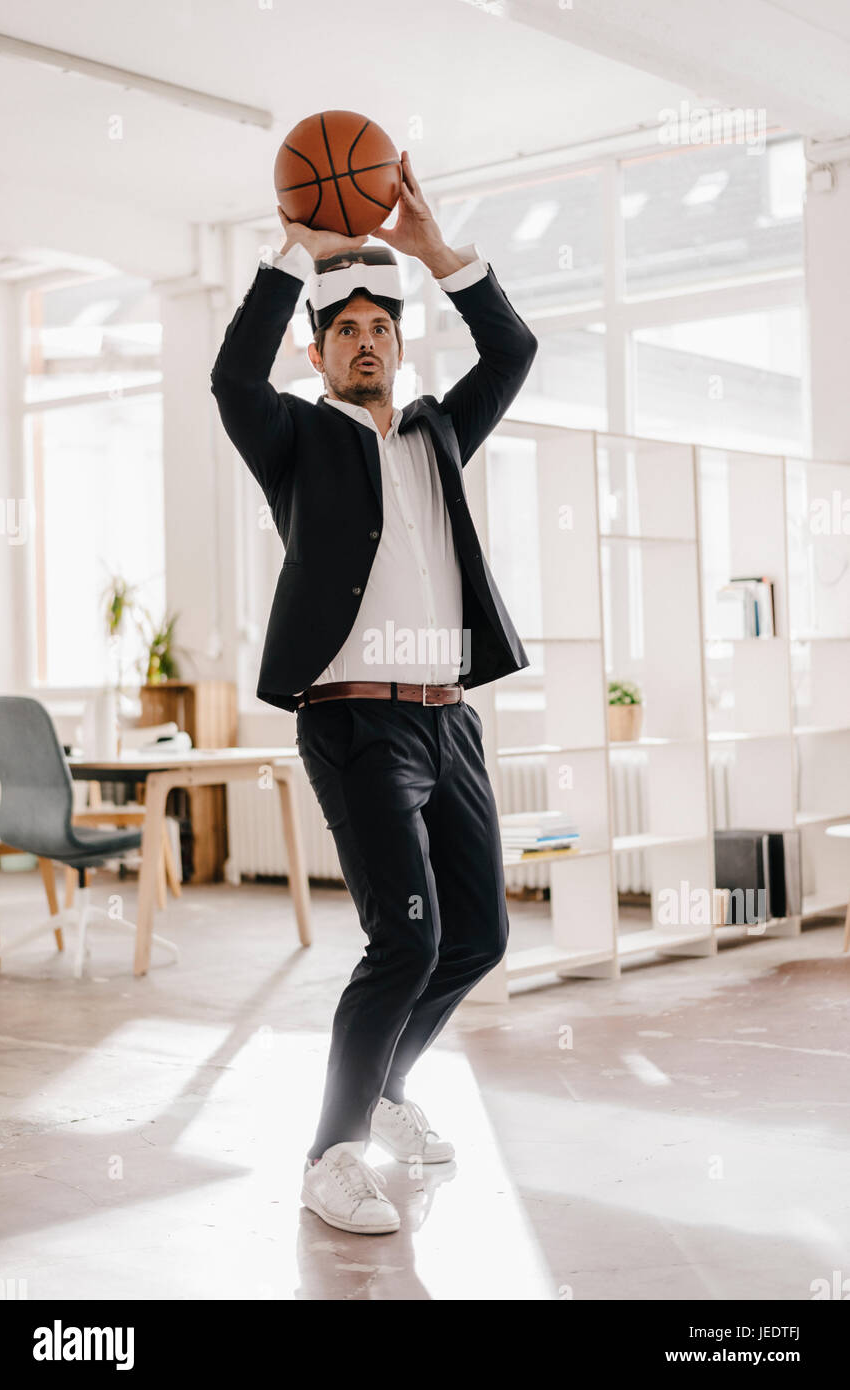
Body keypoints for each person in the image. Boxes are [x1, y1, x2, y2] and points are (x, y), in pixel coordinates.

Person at [210, 151, 537, 1235]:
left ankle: (385, 1090)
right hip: (354, 720)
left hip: (449, 719)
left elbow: (515, 348)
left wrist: (441, 255)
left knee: (477, 937)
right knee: (404, 937)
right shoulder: (296, 441)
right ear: (320, 350)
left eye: (379, 328)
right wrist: (293, 251)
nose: (364, 340)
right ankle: (330, 1152)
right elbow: (231, 385)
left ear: (398, 345)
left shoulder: (439, 430)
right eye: (342, 329)